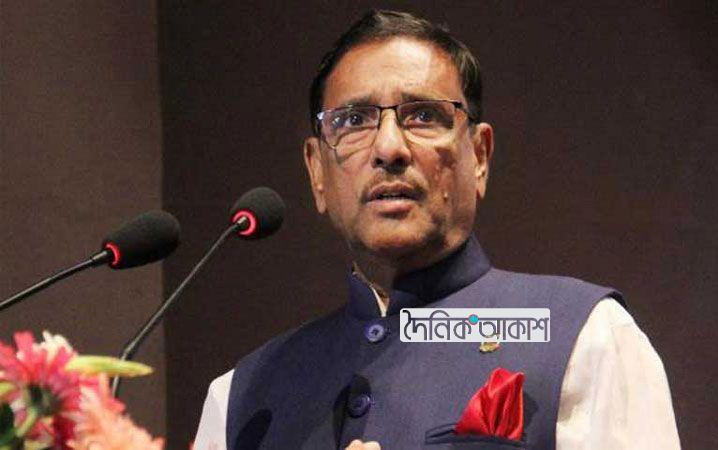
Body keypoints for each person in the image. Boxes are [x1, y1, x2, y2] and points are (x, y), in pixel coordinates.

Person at [194, 10, 680, 450]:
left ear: (480, 157)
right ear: (317, 171)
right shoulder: (241, 397)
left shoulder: (581, 336)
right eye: (354, 120)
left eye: (423, 116)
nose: (388, 148)